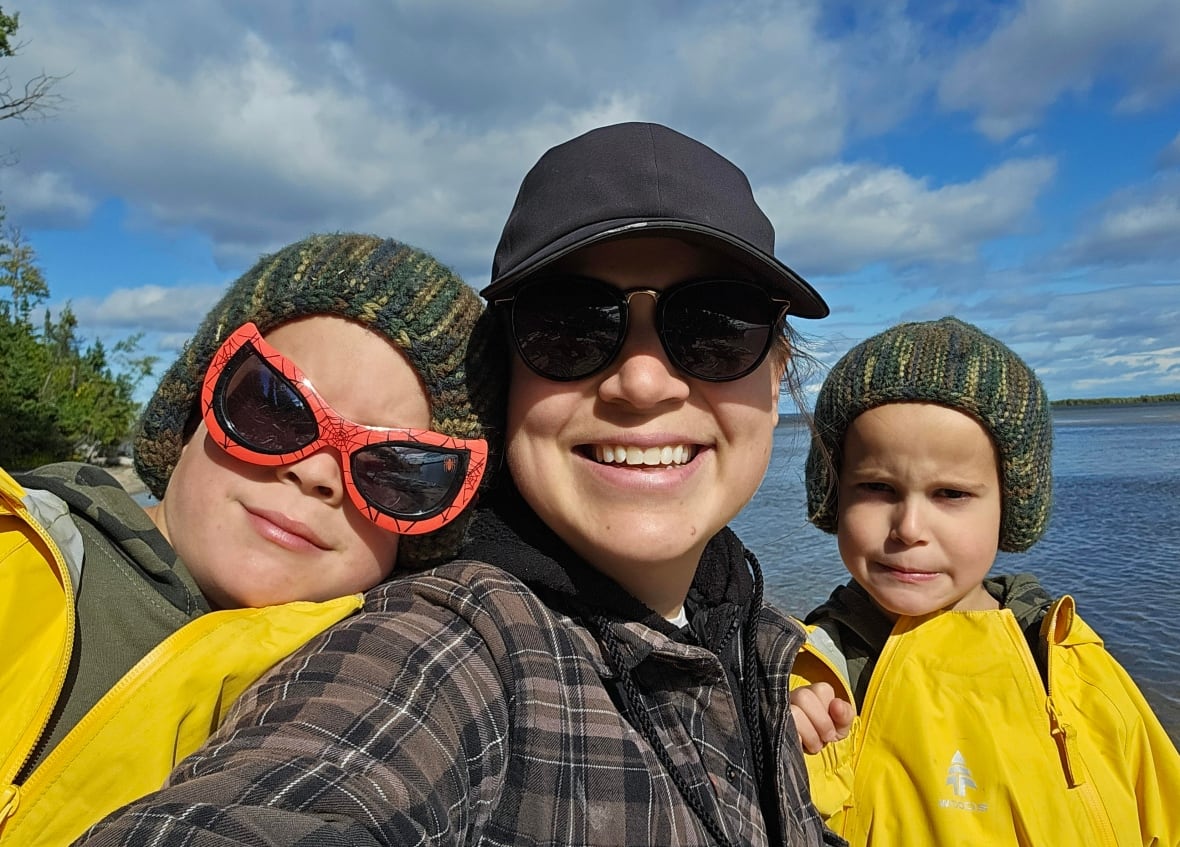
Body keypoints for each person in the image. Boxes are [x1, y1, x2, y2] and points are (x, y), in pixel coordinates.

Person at [77, 122, 846, 846]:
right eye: (570, 328)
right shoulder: (451, 649)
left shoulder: (749, 629)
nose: (643, 380)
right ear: (506, 383)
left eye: (717, 328)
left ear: (777, 377)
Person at [1, 233, 492, 846]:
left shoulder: (367, 693)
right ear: (190, 414)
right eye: (274, 406)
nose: (316, 474)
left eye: (396, 469)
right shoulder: (16, 542)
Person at [787, 316, 1180, 845]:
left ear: (1011, 508)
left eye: (951, 494)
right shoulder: (808, 673)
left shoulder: (1071, 663)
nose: (909, 529)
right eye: (877, 487)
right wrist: (786, 741)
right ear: (835, 496)